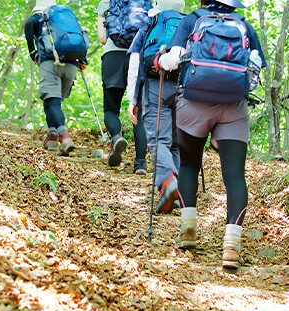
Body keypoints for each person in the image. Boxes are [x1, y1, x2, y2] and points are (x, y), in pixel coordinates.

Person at [158, 0, 266, 268]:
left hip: (193, 104)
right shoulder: (244, 25)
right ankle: (231, 245)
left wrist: (161, 59)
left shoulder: (193, 19)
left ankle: (188, 229)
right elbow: (257, 66)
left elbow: (172, 60)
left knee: (190, 165)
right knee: (234, 176)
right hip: (234, 107)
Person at [127, 0, 185, 213]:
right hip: (183, 89)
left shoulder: (149, 26)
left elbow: (135, 65)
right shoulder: (189, 25)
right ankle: (177, 191)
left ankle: (167, 183)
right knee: (177, 144)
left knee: (159, 139)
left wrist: (133, 100)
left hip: (155, 85)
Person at [24, 0, 87, 156]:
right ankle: (52, 136)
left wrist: (33, 53)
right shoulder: (65, 17)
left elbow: (27, 26)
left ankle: (64, 137)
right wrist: (82, 59)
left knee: (52, 101)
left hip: (51, 63)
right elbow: (81, 35)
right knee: (52, 100)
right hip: (71, 65)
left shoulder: (38, 17)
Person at [96, 0, 148, 174]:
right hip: (138, 55)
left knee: (111, 109)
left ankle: (117, 137)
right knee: (138, 110)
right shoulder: (146, 2)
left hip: (113, 57)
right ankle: (140, 164)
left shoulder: (107, 2)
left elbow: (102, 38)